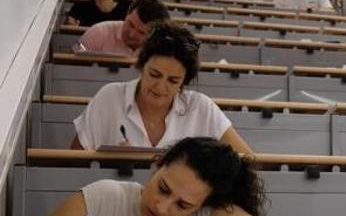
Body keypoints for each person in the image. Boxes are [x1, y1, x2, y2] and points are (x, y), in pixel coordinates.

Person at [14, 137, 287, 216]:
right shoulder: (102, 197)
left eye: (183, 205)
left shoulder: (209, 212)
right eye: (163, 188)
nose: (162, 207)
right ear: (157, 166)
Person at [72, 22, 251, 154]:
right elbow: (73, 161)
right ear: (141, 67)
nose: (160, 87)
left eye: (173, 81)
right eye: (154, 75)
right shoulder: (110, 97)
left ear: (183, 82)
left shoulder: (201, 108)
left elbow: (248, 162)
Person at [74, 0, 171, 58]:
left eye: (141, 32)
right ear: (127, 15)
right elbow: (73, 64)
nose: (132, 34)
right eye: (130, 24)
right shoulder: (98, 32)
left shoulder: (160, 47)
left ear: (153, 34)